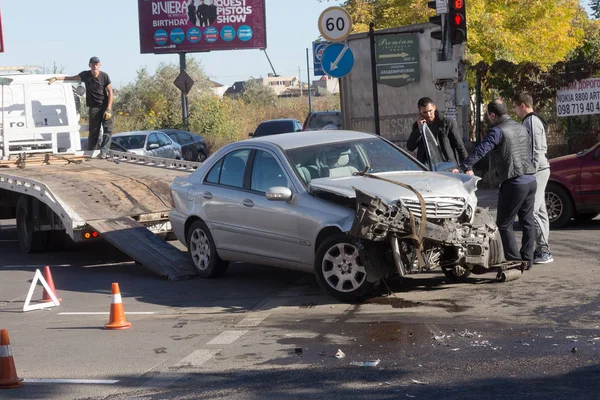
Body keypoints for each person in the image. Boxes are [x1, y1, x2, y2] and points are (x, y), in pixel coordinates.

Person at [454, 100, 537, 269]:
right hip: (530, 179)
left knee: (504, 223)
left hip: (514, 181)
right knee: (527, 221)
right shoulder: (522, 127)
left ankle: (515, 260)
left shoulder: (498, 131)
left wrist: (463, 167)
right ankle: (527, 259)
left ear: (493, 115)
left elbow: (481, 150)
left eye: (489, 116)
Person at [512, 92, 554, 264]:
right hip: (539, 169)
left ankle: (544, 250)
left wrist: (530, 173)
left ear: (522, 105)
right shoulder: (533, 120)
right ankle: (542, 249)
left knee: (532, 211)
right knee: (541, 210)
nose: (514, 111)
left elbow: (535, 150)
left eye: (514, 107)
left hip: (537, 170)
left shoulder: (531, 121)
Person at [47, 57, 113, 158]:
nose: (95, 66)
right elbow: (71, 78)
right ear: (89, 65)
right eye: (93, 64)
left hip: (105, 106)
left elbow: (110, 92)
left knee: (107, 129)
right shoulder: (86, 75)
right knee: (94, 130)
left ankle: (104, 151)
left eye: (96, 64)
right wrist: (56, 78)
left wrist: (108, 108)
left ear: (99, 65)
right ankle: (91, 152)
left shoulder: (104, 76)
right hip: (93, 107)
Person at [406, 97, 468, 167]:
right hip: (427, 168)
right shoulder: (418, 125)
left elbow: (459, 146)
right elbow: (410, 147)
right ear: (420, 112)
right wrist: (419, 130)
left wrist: (467, 168)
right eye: (425, 112)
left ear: (434, 107)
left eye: (430, 111)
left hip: (447, 166)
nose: (428, 115)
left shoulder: (447, 123)